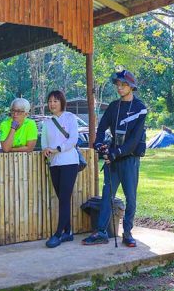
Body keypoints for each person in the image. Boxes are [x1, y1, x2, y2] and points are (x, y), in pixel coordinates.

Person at [83, 70, 149, 247]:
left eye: (123, 84)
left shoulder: (140, 108)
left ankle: (127, 232)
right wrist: (98, 144)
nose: (119, 88)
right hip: (113, 159)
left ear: (131, 87)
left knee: (131, 197)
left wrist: (116, 152)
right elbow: (102, 128)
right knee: (107, 195)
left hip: (129, 159)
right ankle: (101, 232)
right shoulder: (113, 106)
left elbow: (135, 140)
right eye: (118, 85)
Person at [42, 91, 82, 248]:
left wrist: (58, 148)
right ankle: (69, 232)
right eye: (50, 101)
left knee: (64, 199)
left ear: (62, 102)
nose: (52, 104)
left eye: (55, 101)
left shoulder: (70, 117)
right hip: (54, 164)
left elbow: (73, 139)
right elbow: (44, 141)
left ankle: (58, 234)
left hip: (69, 162)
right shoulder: (47, 122)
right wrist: (45, 149)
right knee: (62, 198)